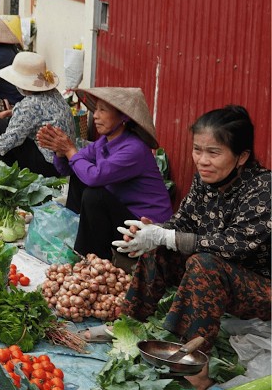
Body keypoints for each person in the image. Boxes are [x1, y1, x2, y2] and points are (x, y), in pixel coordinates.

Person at [112, 105, 269, 368]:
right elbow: (182, 221)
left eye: (214, 152)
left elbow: (236, 245)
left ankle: (195, 367)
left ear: (241, 157)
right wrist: (151, 232)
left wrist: (168, 236)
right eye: (198, 149)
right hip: (221, 274)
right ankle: (128, 325)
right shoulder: (205, 180)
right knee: (160, 247)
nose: (202, 160)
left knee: (204, 264)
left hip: (262, 288)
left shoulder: (264, 189)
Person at [36, 87, 173, 263]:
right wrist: (61, 152)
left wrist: (70, 149)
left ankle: (91, 259)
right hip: (122, 215)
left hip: (144, 226)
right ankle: (73, 236)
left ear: (123, 117)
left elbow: (95, 177)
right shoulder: (104, 142)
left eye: (103, 110)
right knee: (80, 176)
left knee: (95, 195)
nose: (96, 116)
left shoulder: (134, 149)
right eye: (96, 109)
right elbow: (69, 169)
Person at [0, 51, 80, 177]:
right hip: (62, 161)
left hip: (49, 166)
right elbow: (36, 114)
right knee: (4, 122)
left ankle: (2, 177)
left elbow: (5, 143)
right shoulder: (53, 93)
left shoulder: (29, 105)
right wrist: (5, 113)